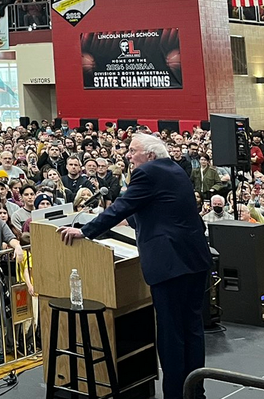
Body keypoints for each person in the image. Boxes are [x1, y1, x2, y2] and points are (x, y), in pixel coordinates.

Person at [59, 133, 212, 399]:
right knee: (192, 330)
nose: (128, 155)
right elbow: (158, 211)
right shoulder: (175, 169)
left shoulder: (147, 173)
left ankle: (176, 395)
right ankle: (195, 392)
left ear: (150, 155)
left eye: (133, 150)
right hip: (194, 260)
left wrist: (86, 231)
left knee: (171, 335)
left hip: (170, 266)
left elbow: (123, 206)